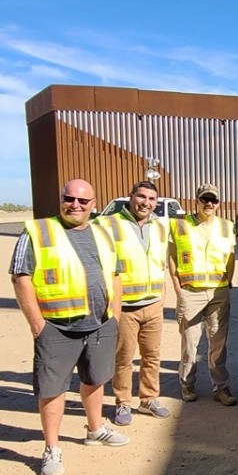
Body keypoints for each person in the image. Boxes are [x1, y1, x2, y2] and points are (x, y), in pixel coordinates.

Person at [9, 179, 130, 475]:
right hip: (56, 328)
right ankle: (52, 447)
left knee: (95, 379)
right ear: (61, 198)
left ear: (93, 204)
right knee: (52, 389)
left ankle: (95, 429)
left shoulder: (102, 233)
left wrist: (114, 313)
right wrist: (38, 325)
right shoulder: (37, 232)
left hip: (99, 324)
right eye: (69, 198)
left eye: (82, 201)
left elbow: (114, 273)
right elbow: (20, 277)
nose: (75, 205)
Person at [95, 181, 171, 425]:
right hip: (125, 305)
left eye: (151, 199)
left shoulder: (160, 226)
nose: (145, 203)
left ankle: (149, 398)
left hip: (153, 304)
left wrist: (163, 295)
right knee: (124, 358)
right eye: (141, 197)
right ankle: (123, 402)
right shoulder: (108, 224)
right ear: (131, 197)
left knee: (152, 356)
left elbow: (161, 262)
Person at [169, 183, 238, 406]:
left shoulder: (227, 226)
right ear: (196, 201)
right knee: (190, 343)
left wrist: (227, 284)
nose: (209, 204)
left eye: (213, 200)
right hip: (191, 292)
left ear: (218, 203)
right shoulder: (180, 225)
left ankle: (221, 387)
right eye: (204, 199)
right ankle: (187, 384)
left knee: (218, 342)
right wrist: (177, 287)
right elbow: (171, 257)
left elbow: (230, 257)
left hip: (218, 292)